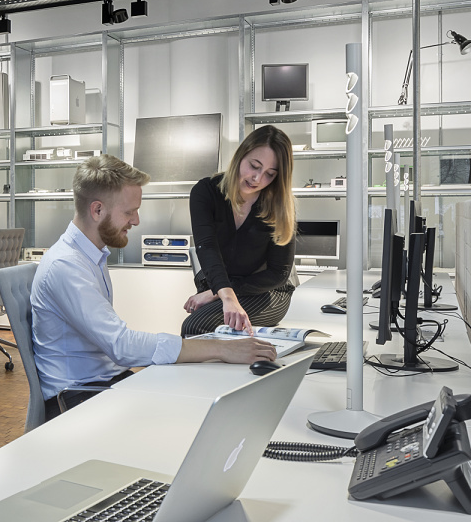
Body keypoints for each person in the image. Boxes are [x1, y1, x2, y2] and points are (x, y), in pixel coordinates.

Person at [31, 155, 276, 420]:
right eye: (129, 212)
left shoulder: (90, 255)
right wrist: (222, 349)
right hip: (78, 397)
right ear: (97, 210)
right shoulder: (66, 266)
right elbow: (122, 346)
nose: (136, 221)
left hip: (103, 383)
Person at [181, 125, 297, 337]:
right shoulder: (206, 191)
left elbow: (278, 274)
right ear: (241, 155)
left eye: (270, 174)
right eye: (254, 166)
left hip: (266, 292)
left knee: (194, 327)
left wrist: (218, 294)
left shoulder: (280, 205)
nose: (258, 179)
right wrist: (224, 295)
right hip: (220, 287)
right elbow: (206, 248)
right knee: (196, 328)